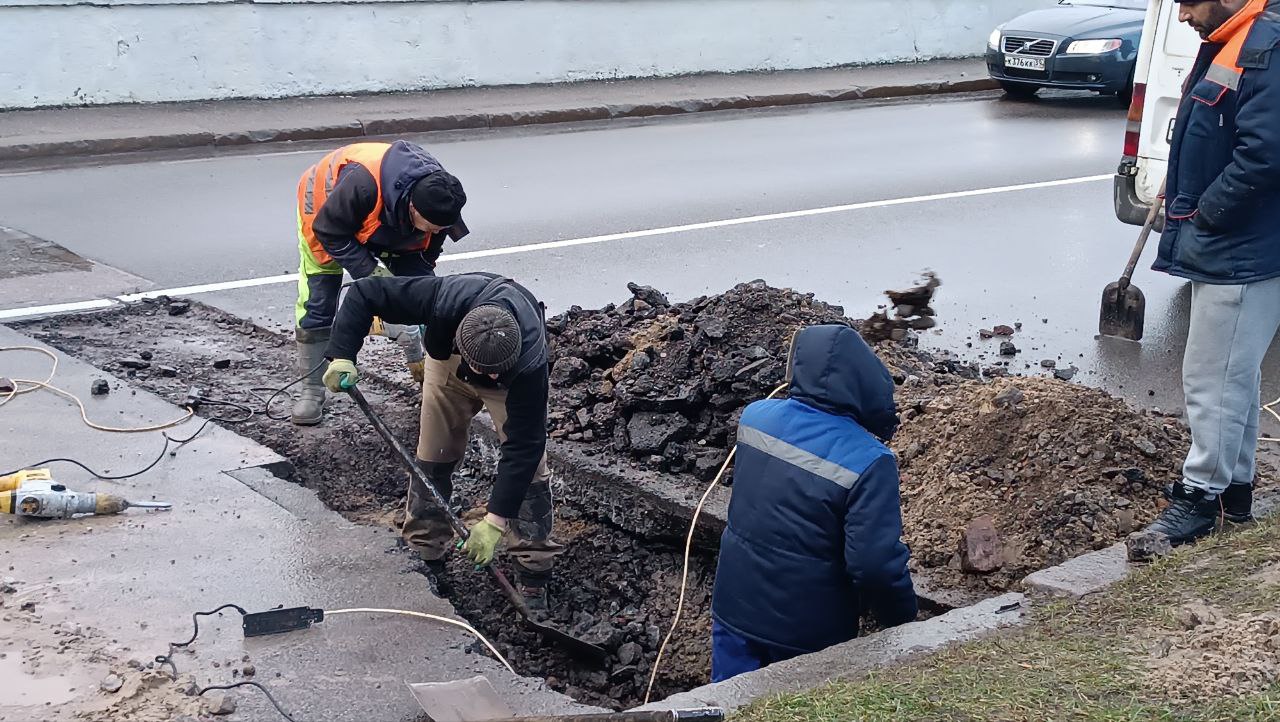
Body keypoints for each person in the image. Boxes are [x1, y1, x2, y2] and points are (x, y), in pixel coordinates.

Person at [322, 272, 561, 608]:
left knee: (531, 470)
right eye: (484, 370)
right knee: (434, 453)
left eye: (494, 371)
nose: (488, 378)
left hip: (512, 378)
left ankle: (533, 568)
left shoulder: (529, 363)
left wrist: (494, 521)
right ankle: (426, 551)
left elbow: (523, 445)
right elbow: (364, 292)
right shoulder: (441, 300)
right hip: (449, 362)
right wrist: (343, 354)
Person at [709, 324, 917, 682]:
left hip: (734, 609)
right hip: (806, 633)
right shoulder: (871, 460)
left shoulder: (755, 418)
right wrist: (903, 620)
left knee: (728, 704)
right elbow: (874, 565)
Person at [1145, 0, 1280, 544]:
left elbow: (1266, 153)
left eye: (1188, 1)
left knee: (1211, 378)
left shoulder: (1265, 46)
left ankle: (1198, 500)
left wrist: (1206, 213)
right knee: (1233, 378)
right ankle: (1234, 494)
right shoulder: (1235, 38)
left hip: (1241, 247)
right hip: (1237, 243)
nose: (1181, 15)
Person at [291, 140, 469, 426]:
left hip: (391, 224)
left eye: (442, 228)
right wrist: (372, 275)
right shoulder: (361, 185)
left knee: (426, 296)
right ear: (413, 208)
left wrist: (409, 302)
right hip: (326, 215)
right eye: (434, 226)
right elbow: (329, 231)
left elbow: (426, 257)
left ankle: (440, 383)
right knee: (319, 300)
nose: (439, 232)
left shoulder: (440, 199)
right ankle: (311, 391)